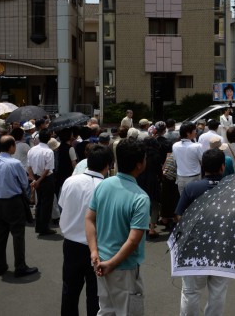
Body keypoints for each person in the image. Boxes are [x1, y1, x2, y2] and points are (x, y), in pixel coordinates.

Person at [85, 138, 150, 316]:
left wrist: (93, 252)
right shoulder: (140, 198)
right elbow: (134, 240)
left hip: (100, 261)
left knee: (106, 310)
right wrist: (112, 264)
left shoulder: (104, 185)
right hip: (124, 267)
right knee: (127, 312)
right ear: (139, 164)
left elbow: (89, 219)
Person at [59, 144, 114, 316]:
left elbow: (62, 205)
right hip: (96, 247)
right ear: (108, 165)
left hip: (71, 244)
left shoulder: (70, 181)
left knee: (70, 289)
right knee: (95, 293)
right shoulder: (107, 188)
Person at [175, 149, 229, 316]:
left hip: (194, 246)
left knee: (191, 292)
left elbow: (179, 215)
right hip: (223, 245)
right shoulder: (232, 187)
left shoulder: (192, 188)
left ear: (202, 166)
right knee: (218, 291)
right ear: (222, 167)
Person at [0, 135, 38, 277]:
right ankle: (20, 266)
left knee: (0, 235)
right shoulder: (14, 163)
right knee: (17, 235)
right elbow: (23, 183)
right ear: (11, 147)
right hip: (13, 201)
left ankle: (0, 265)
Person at [27, 129, 56, 236]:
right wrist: (38, 180)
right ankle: (44, 228)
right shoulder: (49, 151)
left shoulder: (32, 150)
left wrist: (34, 180)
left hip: (36, 177)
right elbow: (48, 169)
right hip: (46, 179)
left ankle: (39, 226)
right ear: (49, 139)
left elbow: (29, 166)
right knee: (46, 204)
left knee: (39, 203)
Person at [172, 121, 204, 195]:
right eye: (194, 130)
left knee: (184, 201)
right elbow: (203, 161)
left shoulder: (175, 145)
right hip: (194, 178)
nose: (196, 132)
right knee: (195, 202)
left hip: (180, 178)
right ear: (188, 133)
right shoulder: (197, 146)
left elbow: (175, 162)